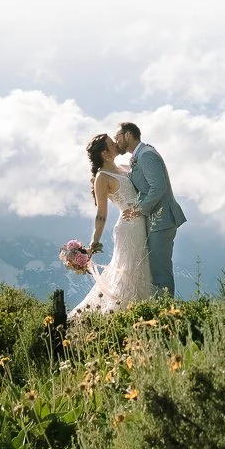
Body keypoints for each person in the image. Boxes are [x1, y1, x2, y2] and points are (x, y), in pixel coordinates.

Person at [69, 132, 155, 317]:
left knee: (141, 268)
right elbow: (101, 213)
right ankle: (122, 314)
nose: (116, 144)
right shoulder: (102, 177)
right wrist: (94, 242)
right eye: (111, 143)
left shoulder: (125, 167)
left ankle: (141, 312)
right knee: (130, 270)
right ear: (104, 153)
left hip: (142, 222)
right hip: (129, 227)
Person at [115, 121, 186, 298]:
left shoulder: (146, 155)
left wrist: (139, 210)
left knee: (160, 271)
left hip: (162, 220)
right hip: (156, 220)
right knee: (155, 269)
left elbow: (158, 188)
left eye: (118, 137)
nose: (116, 142)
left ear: (128, 135)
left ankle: (167, 314)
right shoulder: (141, 155)